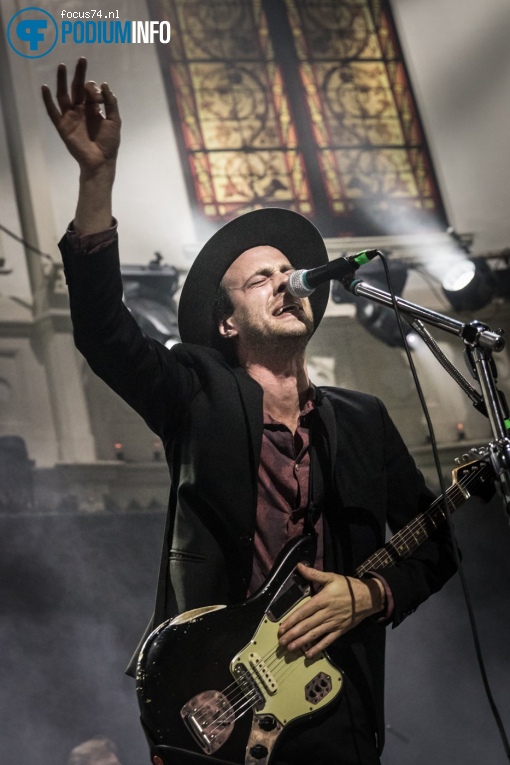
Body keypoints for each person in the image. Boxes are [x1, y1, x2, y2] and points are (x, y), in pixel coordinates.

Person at [42, 59, 456, 765]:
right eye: (259, 277)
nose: (284, 281)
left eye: (288, 273)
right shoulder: (196, 390)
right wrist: (95, 178)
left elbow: (438, 545)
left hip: (337, 706)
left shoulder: (360, 419)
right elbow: (103, 332)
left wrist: (373, 592)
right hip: (218, 704)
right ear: (227, 323)